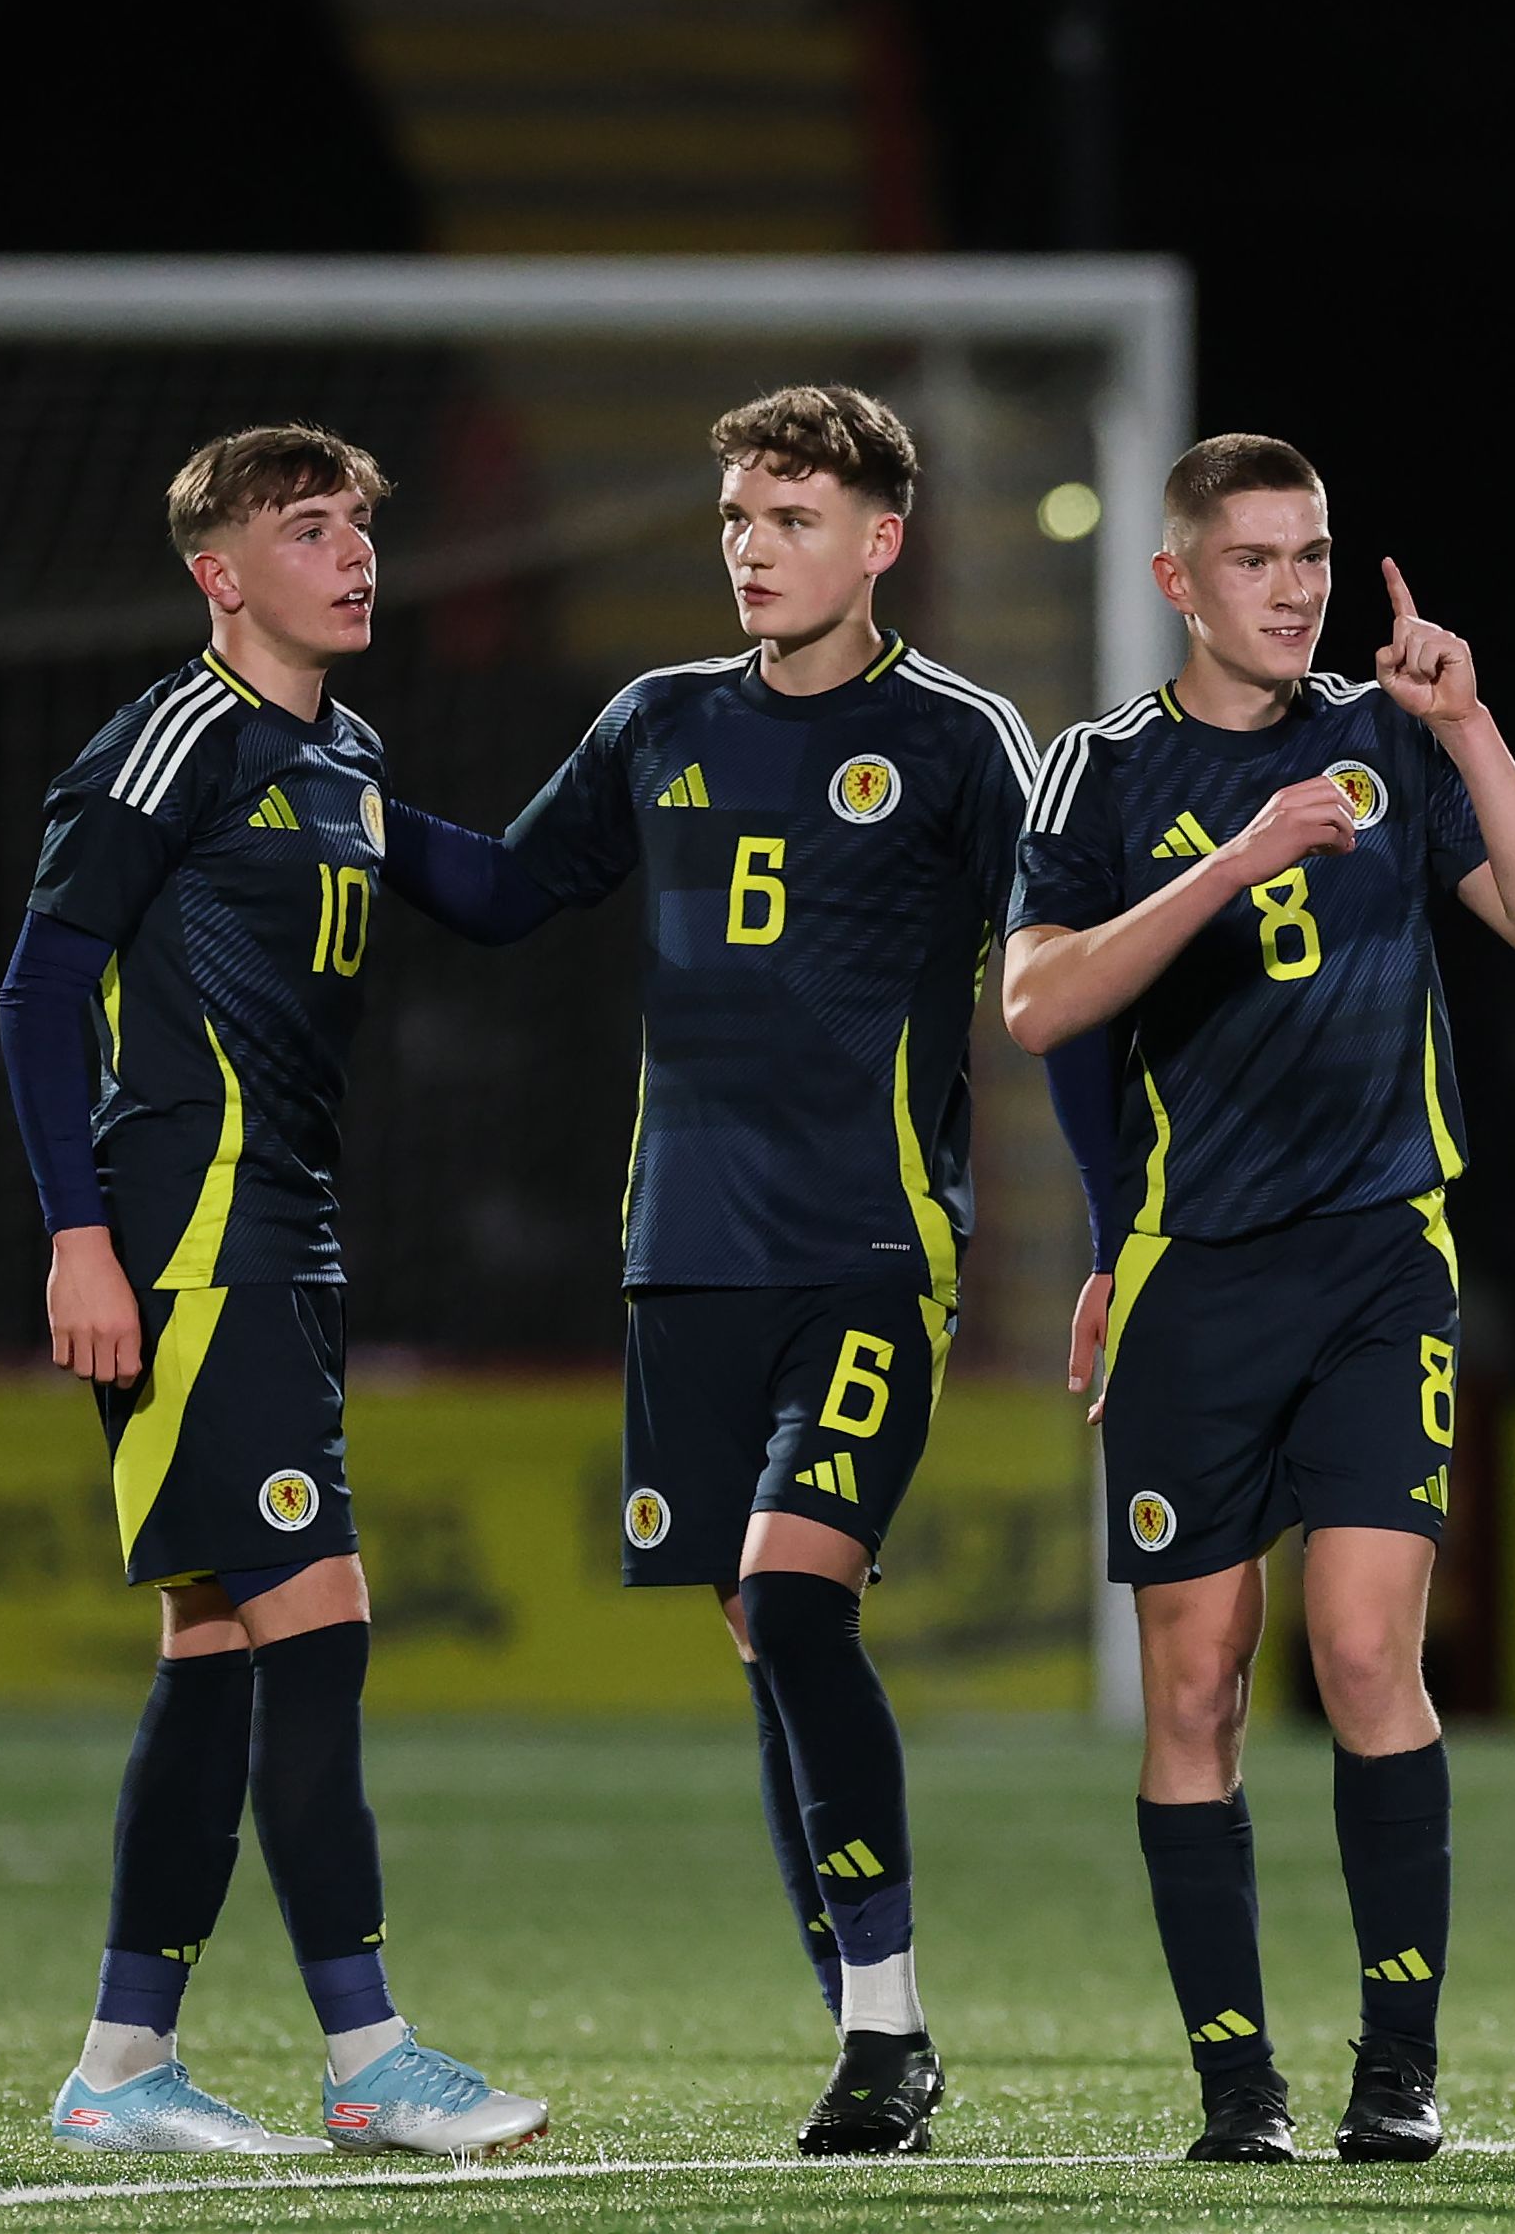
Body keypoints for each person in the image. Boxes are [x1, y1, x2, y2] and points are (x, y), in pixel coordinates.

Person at [372, 385, 1035, 2157]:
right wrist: (340, 800)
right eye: (739, 516)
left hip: (873, 1249)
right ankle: (872, 2027)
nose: (753, 548)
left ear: (880, 541)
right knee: (766, 1638)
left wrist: (1128, 1223)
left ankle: (885, 2034)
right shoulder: (658, 722)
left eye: (793, 519)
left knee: (798, 1600)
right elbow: (509, 895)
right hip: (684, 1253)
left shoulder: (961, 741)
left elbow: (1064, 975)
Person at [0, 423, 547, 2159]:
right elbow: (40, 991)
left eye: (362, 525)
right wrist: (80, 1239)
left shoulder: (344, 756)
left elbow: (499, 890)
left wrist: (662, 761)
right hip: (192, 1238)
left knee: (220, 1647)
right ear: (219, 574)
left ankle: (123, 2067)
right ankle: (369, 2054)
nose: (356, 552)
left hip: (282, 1240)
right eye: (309, 529)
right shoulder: (177, 740)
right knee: (316, 1621)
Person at [1003, 434, 1515, 2165]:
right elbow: (1036, 1004)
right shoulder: (1098, 771)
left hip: (1385, 1257)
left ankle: (1400, 2069)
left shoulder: (1388, 733)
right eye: (1255, 559)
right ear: (1178, 581)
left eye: (1312, 555)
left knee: (1369, 1649)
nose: (1295, 588)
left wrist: (1470, 722)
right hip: (1195, 1275)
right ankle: (1238, 2088)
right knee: (1197, 1686)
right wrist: (1232, 864)